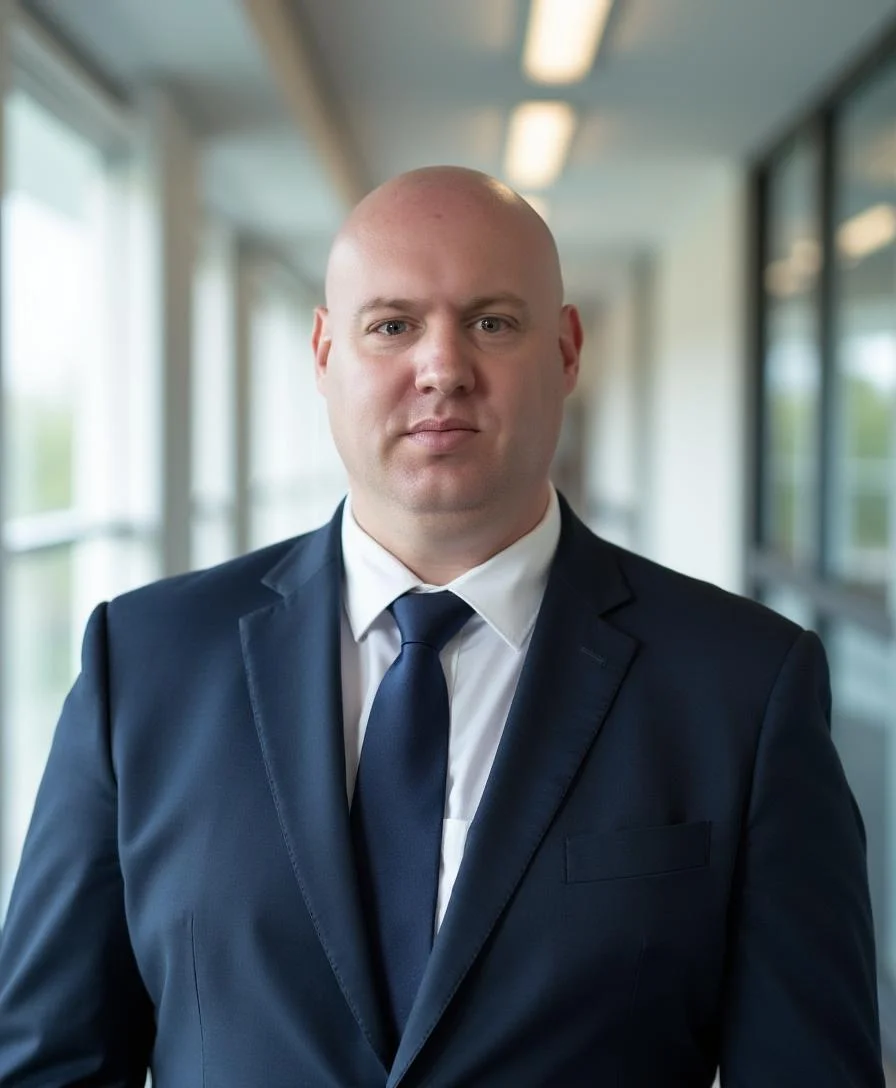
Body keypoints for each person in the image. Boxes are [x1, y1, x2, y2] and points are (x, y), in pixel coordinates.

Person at [0, 166, 884, 1087]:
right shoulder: (145, 662)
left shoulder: (743, 684)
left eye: (492, 322)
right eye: (392, 325)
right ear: (324, 353)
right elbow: (50, 1061)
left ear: (567, 350)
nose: (442, 368)